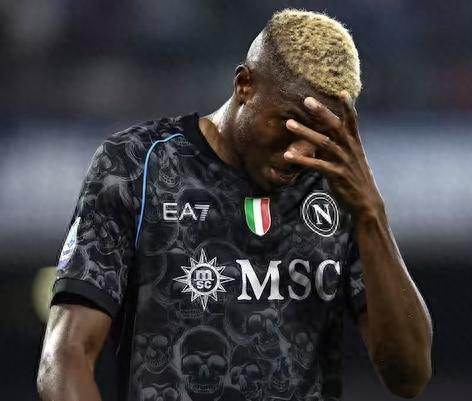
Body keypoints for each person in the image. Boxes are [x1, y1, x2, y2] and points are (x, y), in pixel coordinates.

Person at [37, 8, 432, 401]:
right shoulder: (137, 165)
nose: (301, 153)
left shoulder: (338, 189)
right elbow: (64, 359)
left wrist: (371, 214)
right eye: (290, 124)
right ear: (245, 85)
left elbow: (410, 376)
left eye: (319, 135)